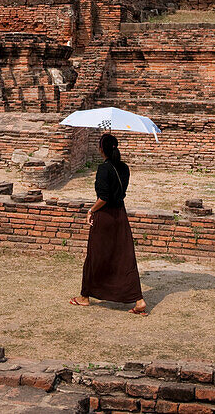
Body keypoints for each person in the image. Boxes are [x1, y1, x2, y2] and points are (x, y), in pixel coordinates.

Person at [70, 133, 148, 315]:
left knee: (95, 256)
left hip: (105, 217)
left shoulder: (104, 169)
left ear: (101, 149)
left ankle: (85, 296)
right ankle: (139, 300)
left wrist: (91, 210)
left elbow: (103, 198)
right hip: (120, 215)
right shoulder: (125, 168)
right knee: (125, 257)